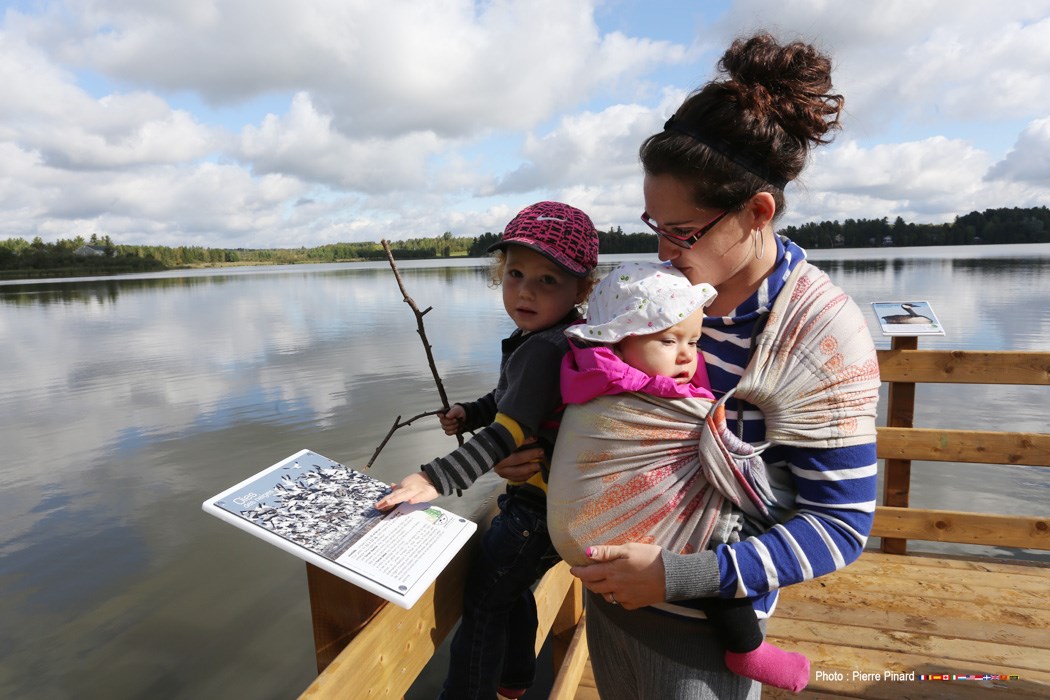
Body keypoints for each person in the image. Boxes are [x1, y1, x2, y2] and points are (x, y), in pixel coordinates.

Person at [517, 33, 879, 699]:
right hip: (609, 601)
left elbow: (841, 527)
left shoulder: (820, 336)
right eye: (653, 224)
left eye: (680, 232)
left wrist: (677, 576)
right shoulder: (655, 303)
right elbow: (614, 410)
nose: (661, 250)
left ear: (757, 212)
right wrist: (542, 448)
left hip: (705, 639)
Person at [546, 260, 810, 693]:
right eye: (668, 340)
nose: (688, 354)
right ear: (617, 340)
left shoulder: (590, 374)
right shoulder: (637, 387)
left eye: (694, 339)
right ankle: (746, 648)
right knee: (716, 545)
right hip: (639, 538)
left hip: (609, 552)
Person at [376, 201, 600, 700]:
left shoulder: (545, 347)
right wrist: (470, 411)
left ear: (581, 288)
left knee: (482, 600)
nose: (525, 290)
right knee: (509, 587)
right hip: (552, 503)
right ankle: (516, 679)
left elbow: (509, 432)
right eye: (515, 273)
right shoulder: (551, 337)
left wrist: (434, 477)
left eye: (548, 280)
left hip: (536, 510)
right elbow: (510, 401)